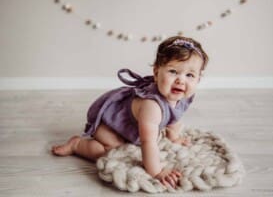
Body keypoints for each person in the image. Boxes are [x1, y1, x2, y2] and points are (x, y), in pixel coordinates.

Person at [52, 36, 208, 188]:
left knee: (133, 144)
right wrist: (157, 172)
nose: (181, 80)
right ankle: (77, 144)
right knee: (111, 151)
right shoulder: (152, 106)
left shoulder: (184, 96)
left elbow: (175, 116)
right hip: (112, 125)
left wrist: (174, 136)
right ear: (156, 72)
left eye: (190, 75)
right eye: (173, 71)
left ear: (198, 79)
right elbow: (148, 142)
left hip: (133, 128)